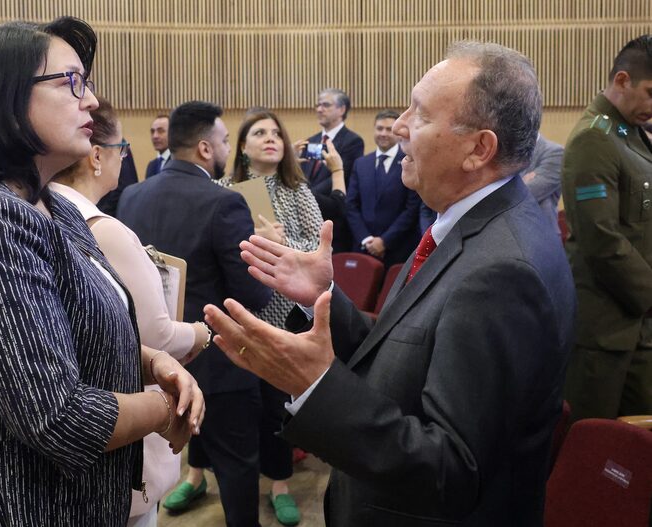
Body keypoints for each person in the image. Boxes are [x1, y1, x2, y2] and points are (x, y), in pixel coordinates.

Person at [204, 41, 576, 526]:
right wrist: (325, 296)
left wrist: (314, 386)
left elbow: (451, 470)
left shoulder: (505, 270)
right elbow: (407, 355)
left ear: (478, 149)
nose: (399, 126)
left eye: (419, 115)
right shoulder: (471, 227)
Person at [0, 17, 203, 526]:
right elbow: (60, 418)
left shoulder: (54, 207)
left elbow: (74, 329)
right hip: (19, 508)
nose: (90, 100)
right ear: (6, 97)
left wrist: (152, 362)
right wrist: (164, 406)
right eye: (71, 82)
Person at [49, 96, 212, 527]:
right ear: (97, 156)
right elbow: (152, 332)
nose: (125, 159)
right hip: (110, 414)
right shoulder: (102, 228)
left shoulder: (45, 214)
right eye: (123, 149)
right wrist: (201, 333)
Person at [118, 101, 272, 527]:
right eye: (224, 141)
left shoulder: (131, 197)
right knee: (238, 467)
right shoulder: (224, 203)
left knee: (147, 479)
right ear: (205, 149)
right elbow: (250, 296)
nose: (228, 149)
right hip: (219, 361)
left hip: (148, 361)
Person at [214, 109, 324, 526]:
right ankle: (200, 472)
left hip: (287, 315)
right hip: (239, 312)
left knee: (276, 408)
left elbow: (316, 250)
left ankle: (279, 483)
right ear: (242, 145)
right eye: (259, 133)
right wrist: (254, 240)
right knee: (234, 405)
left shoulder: (297, 190)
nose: (270, 139)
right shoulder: (222, 189)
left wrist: (278, 244)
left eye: (276, 133)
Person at [561, 35, 652, 422]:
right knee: (595, 453)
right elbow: (601, 238)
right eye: (650, 92)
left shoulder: (629, 134)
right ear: (621, 81)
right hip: (604, 331)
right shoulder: (594, 139)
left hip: (635, 323)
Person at [346, 109, 421, 266]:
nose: (383, 133)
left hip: (398, 249)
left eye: (389, 129)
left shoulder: (410, 162)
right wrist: (366, 239)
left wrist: (384, 241)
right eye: (379, 128)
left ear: (398, 133)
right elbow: (351, 205)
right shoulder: (361, 164)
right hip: (363, 248)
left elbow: (412, 208)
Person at [300, 88, 365, 253]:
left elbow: (343, 174)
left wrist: (307, 197)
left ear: (341, 109)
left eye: (326, 105)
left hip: (333, 214)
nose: (319, 109)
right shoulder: (311, 141)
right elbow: (305, 174)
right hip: (308, 220)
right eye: (318, 105)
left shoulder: (353, 141)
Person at [519, 133, 564, 237]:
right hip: (510, 235)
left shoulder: (555, 152)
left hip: (542, 236)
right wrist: (523, 181)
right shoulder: (505, 153)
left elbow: (528, 193)